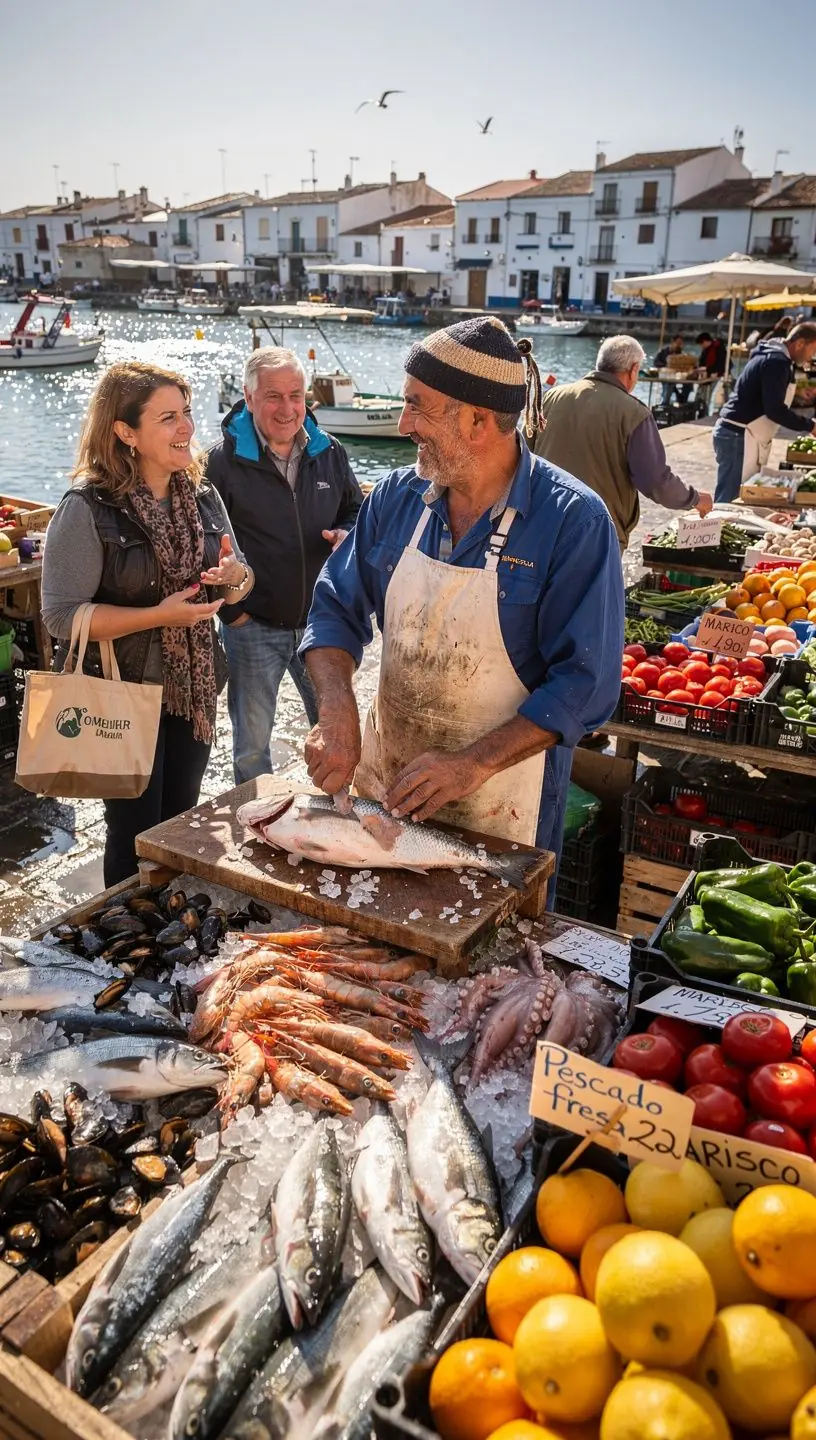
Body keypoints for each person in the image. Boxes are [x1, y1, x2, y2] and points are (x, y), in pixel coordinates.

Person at [300, 317, 624, 887]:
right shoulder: (398, 501)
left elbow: (585, 684)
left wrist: (473, 764)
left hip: (502, 811)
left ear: (478, 419)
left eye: (417, 407)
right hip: (385, 801)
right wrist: (335, 707)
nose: (403, 425)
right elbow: (333, 609)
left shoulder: (573, 521)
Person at [41, 361, 253, 885]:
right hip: (122, 694)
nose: (186, 429)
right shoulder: (87, 508)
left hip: (195, 693)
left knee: (181, 822)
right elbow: (60, 617)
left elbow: (240, 582)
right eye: (167, 418)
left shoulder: (203, 497)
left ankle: (169, 927)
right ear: (125, 432)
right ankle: (120, 936)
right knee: (134, 830)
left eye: (186, 414)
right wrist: (159, 616)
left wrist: (233, 576)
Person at [206, 346, 363, 784]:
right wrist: (233, 615)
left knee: (337, 733)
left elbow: (354, 510)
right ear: (248, 397)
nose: (287, 408)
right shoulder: (221, 463)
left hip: (322, 627)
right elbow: (205, 546)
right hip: (252, 625)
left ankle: (340, 817)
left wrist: (347, 534)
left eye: (295, 395)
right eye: (273, 396)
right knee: (252, 747)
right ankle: (256, 824)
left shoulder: (329, 451)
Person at [533, 336, 713, 549]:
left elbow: (523, 457)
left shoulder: (551, 397)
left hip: (542, 522)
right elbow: (655, 481)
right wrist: (694, 498)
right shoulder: (634, 412)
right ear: (634, 369)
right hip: (595, 531)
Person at [712, 321, 816, 504]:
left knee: (739, 497)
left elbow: (762, 387)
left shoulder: (774, 354)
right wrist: (809, 426)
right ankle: (711, 532)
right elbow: (774, 410)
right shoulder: (777, 361)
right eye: (813, 350)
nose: (812, 356)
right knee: (729, 501)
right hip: (739, 434)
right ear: (800, 343)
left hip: (741, 434)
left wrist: (798, 391)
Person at [654, 335, 690, 405]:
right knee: (669, 384)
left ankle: (682, 401)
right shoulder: (663, 352)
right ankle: (665, 403)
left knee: (688, 384)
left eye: (681, 344)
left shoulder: (681, 354)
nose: (679, 345)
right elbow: (656, 362)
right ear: (672, 342)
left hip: (678, 376)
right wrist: (666, 367)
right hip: (666, 376)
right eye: (678, 343)